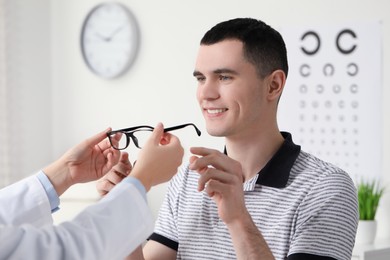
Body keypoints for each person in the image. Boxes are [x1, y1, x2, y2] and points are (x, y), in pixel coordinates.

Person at [99, 18, 359, 260]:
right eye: (201, 78)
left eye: (224, 77)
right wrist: (121, 210)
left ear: (273, 85)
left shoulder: (326, 188)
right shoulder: (189, 180)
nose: (206, 93)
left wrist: (238, 219)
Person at [0, 122, 184, 260]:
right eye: (200, 79)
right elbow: (66, 250)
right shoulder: (183, 184)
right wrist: (142, 179)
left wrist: (67, 170)